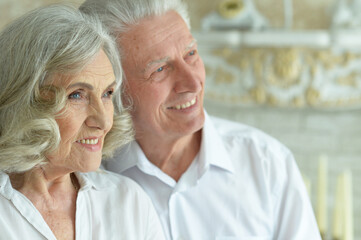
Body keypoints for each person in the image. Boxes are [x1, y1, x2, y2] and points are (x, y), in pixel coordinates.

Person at [80, 0, 322, 239]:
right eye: (160, 69)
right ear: (112, 89)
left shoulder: (267, 162)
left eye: (191, 54)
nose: (193, 83)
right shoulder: (84, 182)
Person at [0, 4, 165, 240]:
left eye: (107, 94)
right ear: (23, 101)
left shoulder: (129, 203)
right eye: (77, 95)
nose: (103, 120)